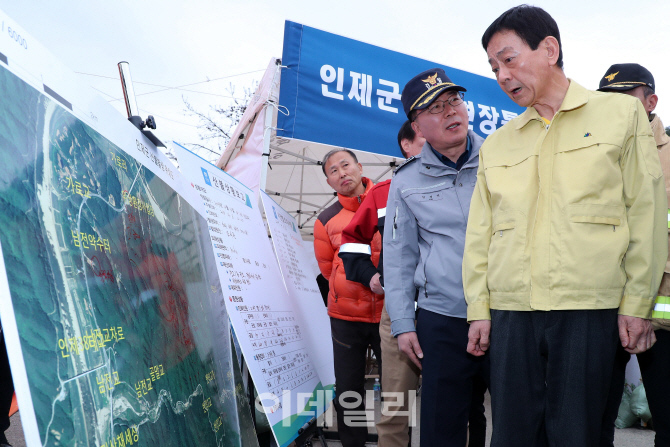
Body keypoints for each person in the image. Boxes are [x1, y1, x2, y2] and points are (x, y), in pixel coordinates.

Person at [463, 6, 667, 447]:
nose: (501, 74)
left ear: (550, 49)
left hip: (589, 309)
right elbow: (481, 233)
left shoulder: (620, 116)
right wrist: (479, 309)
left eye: (509, 59)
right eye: (494, 66)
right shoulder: (498, 143)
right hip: (512, 311)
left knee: (578, 433)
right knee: (513, 434)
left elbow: (644, 212)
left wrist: (637, 302)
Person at [383, 68, 489, 447]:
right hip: (442, 318)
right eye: (436, 108)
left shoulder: (500, 160)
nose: (450, 112)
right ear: (417, 127)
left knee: (517, 422)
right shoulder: (406, 181)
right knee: (442, 427)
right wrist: (402, 322)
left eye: (454, 101)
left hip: (507, 311)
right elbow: (398, 256)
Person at [597, 63, 670, 447]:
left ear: (651, 101)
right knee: (590, 422)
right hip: (599, 306)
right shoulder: (591, 155)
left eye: (626, 102)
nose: (616, 112)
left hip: (661, 315)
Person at [338, 120, 424, 447]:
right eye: (425, 136)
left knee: (451, 403)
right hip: (399, 312)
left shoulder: (463, 186)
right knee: (395, 408)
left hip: (451, 310)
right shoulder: (383, 193)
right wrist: (369, 274)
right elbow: (351, 241)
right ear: (406, 145)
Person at [313, 149, 383, 447]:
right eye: (333, 170)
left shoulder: (385, 203)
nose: (341, 173)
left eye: (345, 165)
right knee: (348, 391)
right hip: (345, 319)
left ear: (359, 167)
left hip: (388, 314)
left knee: (397, 388)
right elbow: (328, 271)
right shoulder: (325, 220)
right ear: (329, 181)